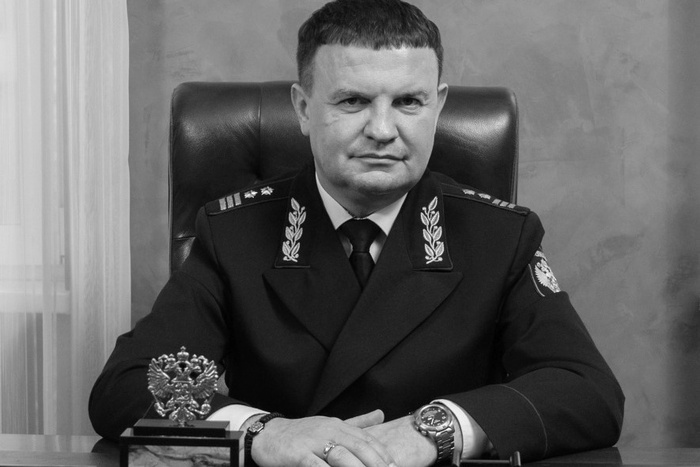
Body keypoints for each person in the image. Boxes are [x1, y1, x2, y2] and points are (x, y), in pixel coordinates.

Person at [89, 0, 624, 465]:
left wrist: (435, 430)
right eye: (353, 101)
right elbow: (128, 385)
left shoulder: (499, 237)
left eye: (409, 102)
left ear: (437, 106)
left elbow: (586, 390)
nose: (383, 130)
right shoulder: (235, 233)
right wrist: (264, 433)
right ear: (303, 108)